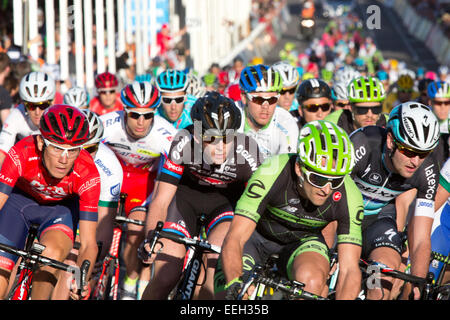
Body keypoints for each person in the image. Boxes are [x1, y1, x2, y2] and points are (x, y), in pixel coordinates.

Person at [217, 120, 364, 300]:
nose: (326, 189)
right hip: (257, 236)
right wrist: (234, 282)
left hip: (303, 242)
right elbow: (235, 238)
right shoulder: (272, 172)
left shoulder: (350, 195)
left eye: (335, 181)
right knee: (228, 292)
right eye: (318, 179)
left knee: (313, 282)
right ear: (299, 169)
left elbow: (349, 269)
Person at [139, 92, 264, 300]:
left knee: (213, 272)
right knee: (165, 276)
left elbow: (258, 207)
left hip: (224, 206)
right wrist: (151, 238)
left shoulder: (248, 152)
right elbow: (161, 199)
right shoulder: (184, 141)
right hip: (185, 201)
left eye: (227, 139)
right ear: (197, 135)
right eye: (211, 140)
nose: (221, 148)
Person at [0, 104, 100, 300]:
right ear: (40, 143)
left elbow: (89, 243)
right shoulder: (21, 152)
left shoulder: (88, 174)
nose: (64, 158)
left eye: (72, 150)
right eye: (56, 148)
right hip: (19, 203)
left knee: (51, 256)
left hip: (59, 211)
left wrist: (81, 281)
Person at [349, 102, 441, 300]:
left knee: (381, 284)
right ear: (390, 140)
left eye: (423, 154)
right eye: (408, 151)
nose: (415, 161)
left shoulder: (427, 171)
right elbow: (330, 197)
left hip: (378, 223)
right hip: (341, 216)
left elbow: (421, 238)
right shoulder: (364, 143)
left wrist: (417, 281)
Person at [100, 81, 177, 299]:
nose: (141, 122)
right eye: (134, 115)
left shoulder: (166, 134)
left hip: (145, 184)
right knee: (99, 235)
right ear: (124, 111)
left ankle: (129, 284)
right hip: (113, 176)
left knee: (135, 237)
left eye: (148, 115)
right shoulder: (108, 124)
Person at [52, 109, 123, 299]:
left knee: (71, 269)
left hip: (85, 213)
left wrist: (96, 259)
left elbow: (105, 221)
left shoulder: (111, 168)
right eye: (78, 148)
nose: (84, 155)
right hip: (60, 206)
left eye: (90, 149)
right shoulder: (58, 158)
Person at [238, 64, 299, 158]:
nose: (265, 106)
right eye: (258, 99)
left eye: (272, 100)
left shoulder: (286, 122)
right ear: (244, 97)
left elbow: (285, 167)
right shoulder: (232, 114)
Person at [0, 71, 56, 169]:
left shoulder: (58, 116)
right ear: (24, 104)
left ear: (52, 103)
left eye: (43, 105)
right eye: (31, 106)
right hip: (25, 166)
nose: (37, 112)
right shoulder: (17, 115)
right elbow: (2, 152)